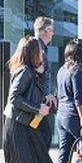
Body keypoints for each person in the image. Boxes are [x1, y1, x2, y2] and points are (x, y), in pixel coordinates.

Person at [0, 36, 61, 163]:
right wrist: (37, 108)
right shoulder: (25, 71)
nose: (42, 53)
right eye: (40, 51)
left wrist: (40, 74)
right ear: (33, 52)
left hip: (25, 124)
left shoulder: (30, 71)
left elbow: (32, 93)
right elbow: (14, 98)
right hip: (18, 126)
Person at [34, 16, 58, 144]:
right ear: (45, 31)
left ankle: (38, 162)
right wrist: (46, 94)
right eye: (51, 30)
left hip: (42, 103)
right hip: (39, 103)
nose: (53, 34)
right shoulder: (37, 49)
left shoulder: (41, 48)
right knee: (45, 134)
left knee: (42, 132)